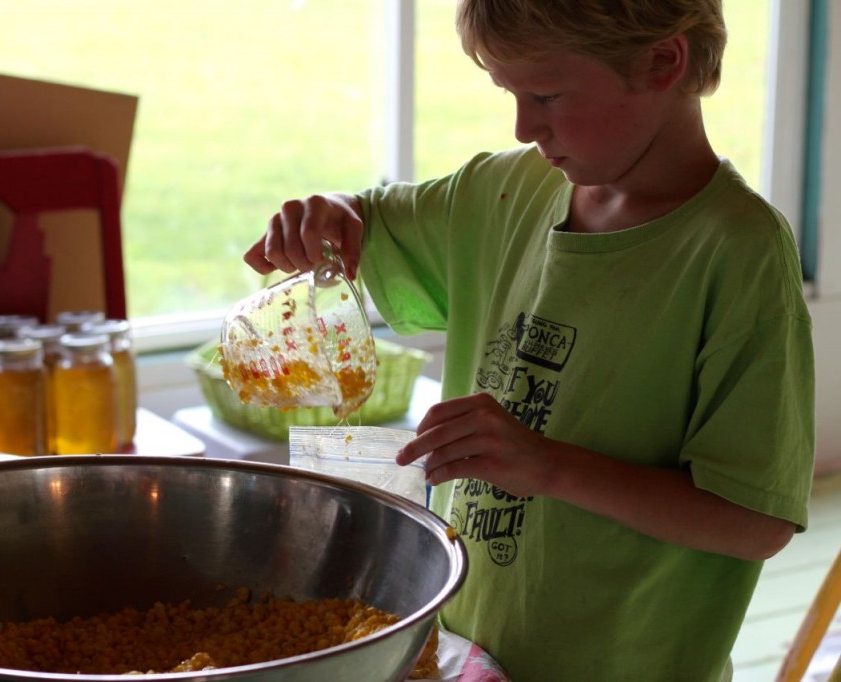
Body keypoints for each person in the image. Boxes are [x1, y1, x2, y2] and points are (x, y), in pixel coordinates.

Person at [242, 1, 816, 679]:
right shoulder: (503, 190)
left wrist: (546, 465)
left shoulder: (738, 253)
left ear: (663, 61)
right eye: (510, 94)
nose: (523, 125)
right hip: (470, 650)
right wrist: (330, 212)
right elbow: (363, 223)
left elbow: (755, 522)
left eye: (546, 94)